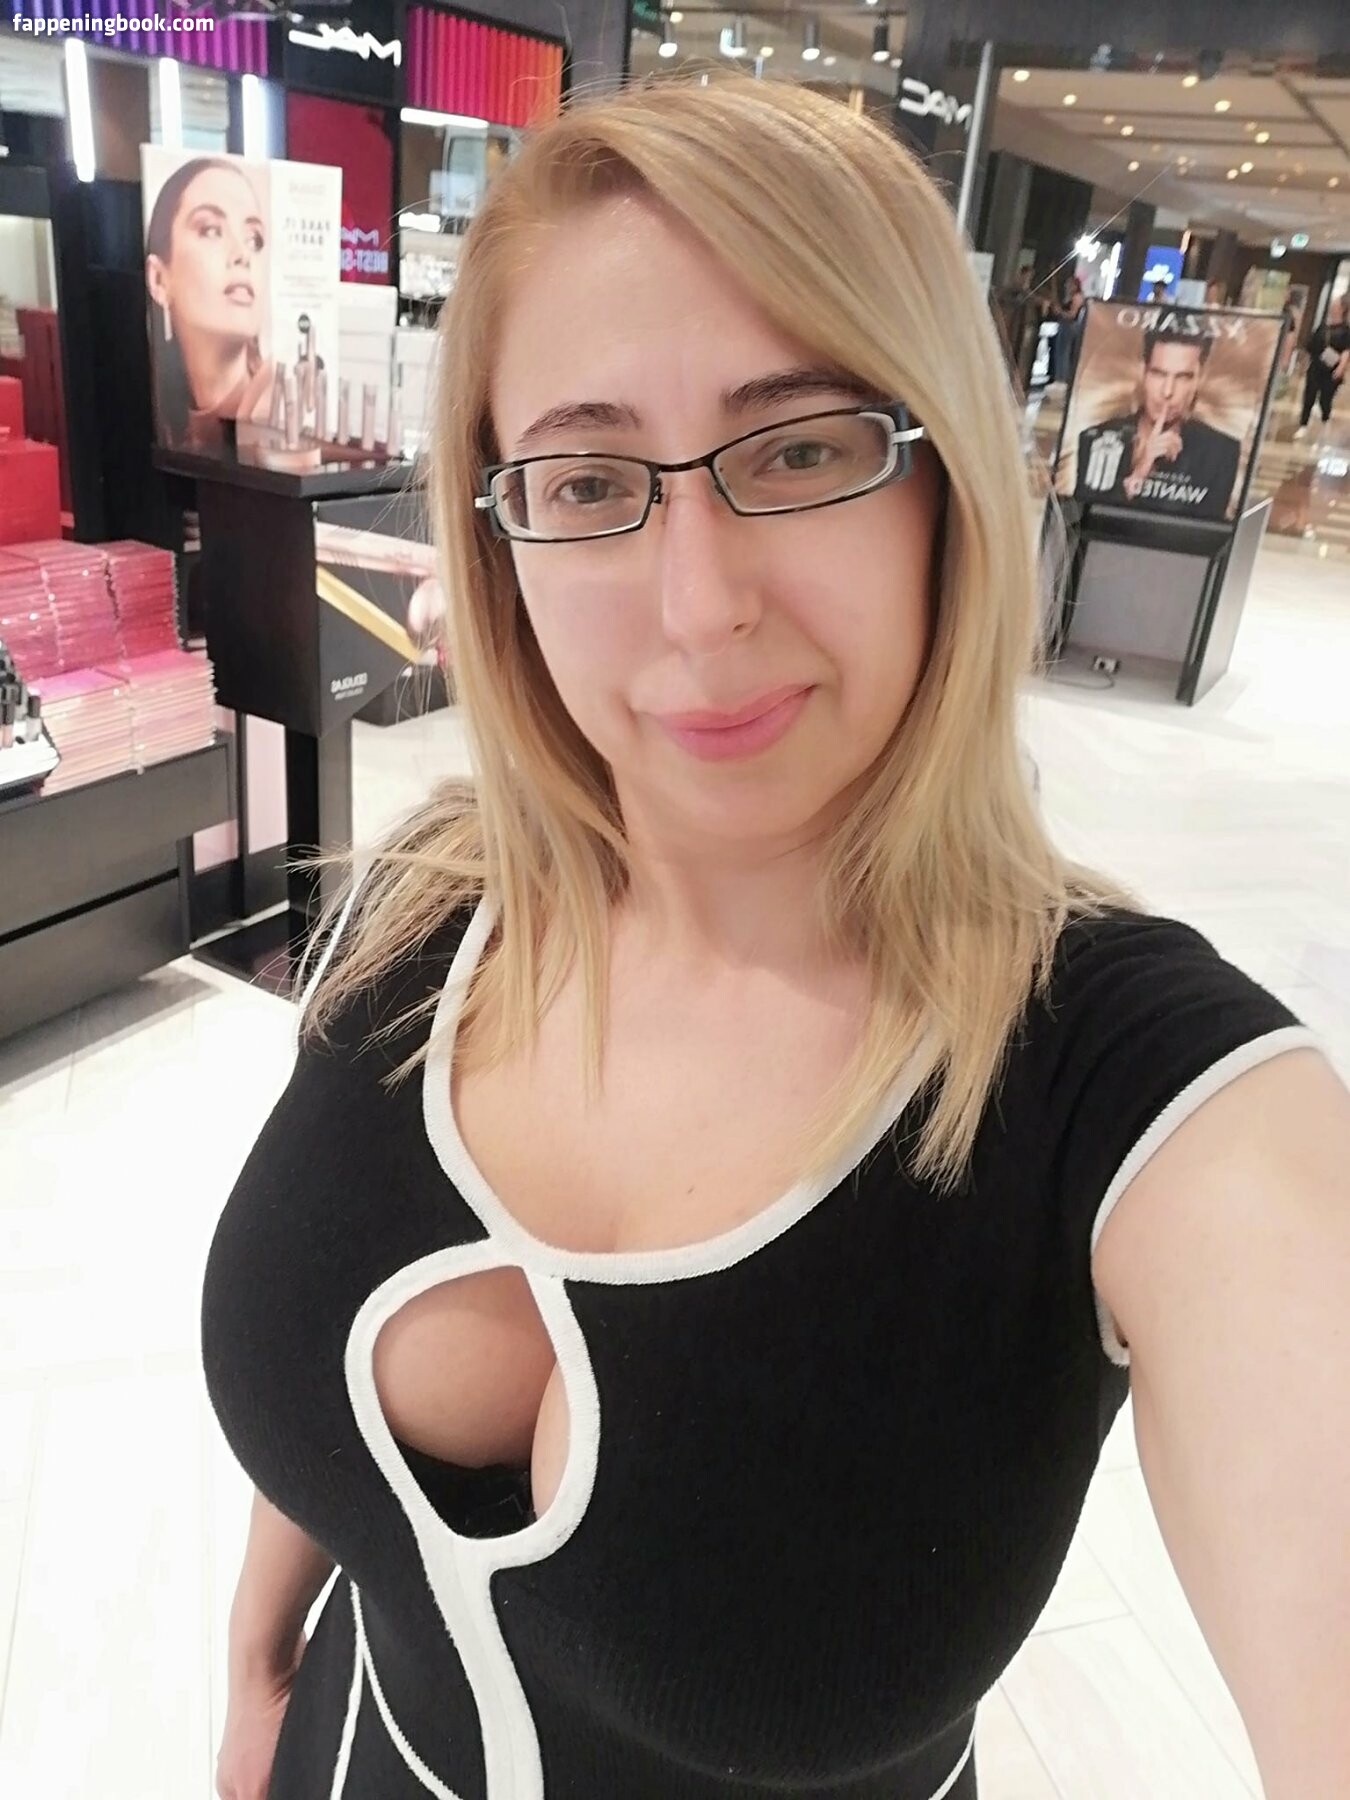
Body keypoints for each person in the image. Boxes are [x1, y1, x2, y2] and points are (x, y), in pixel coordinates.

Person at [203, 77, 1350, 1800]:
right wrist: (252, 1670)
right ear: (502, 535)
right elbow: (320, 1350)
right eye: (589, 477)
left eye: (801, 450)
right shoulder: (424, 910)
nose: (700, 604)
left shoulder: (1138, 1102)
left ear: (946, 479)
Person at [144, 157, 275, 451]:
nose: (242, 254)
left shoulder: (285, 413)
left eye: (254, 239)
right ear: (159, 279)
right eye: (211, 230)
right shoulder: (152, 413)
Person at [1075, 327, 1242, 516]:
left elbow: (1206, 527)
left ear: (1199, 380)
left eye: (1183, 377)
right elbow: (1081, 518)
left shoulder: (1221, 452)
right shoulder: (1097, 439)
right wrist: (1140, 471)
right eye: (1158, 374)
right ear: (1144, 373)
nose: (1167, 391)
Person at [1294, 295, 1350, 439]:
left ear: (1342, 309)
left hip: (1331, 370)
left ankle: (1325, 420)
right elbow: (1311, 345)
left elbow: (1346, 350)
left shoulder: (1346, 331)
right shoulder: (1322, 327)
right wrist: (1305, 362)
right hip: (1316, 366)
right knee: (1309, 395)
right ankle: (1303, 424)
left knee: (1325, 399)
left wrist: (1341, 367)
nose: (1332, 307)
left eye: (1335, 305)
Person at [1050, 274, 1086, 385]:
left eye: (1069, 284)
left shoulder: (1077, 298)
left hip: (1069, 326)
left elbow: (1072, 314)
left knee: (1063, 353)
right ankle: (1060, 377)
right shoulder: (1071, 297)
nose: (1067, 286)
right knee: (1060, 353)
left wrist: (1060, 312)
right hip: (1065, 325)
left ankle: (1062, 378)